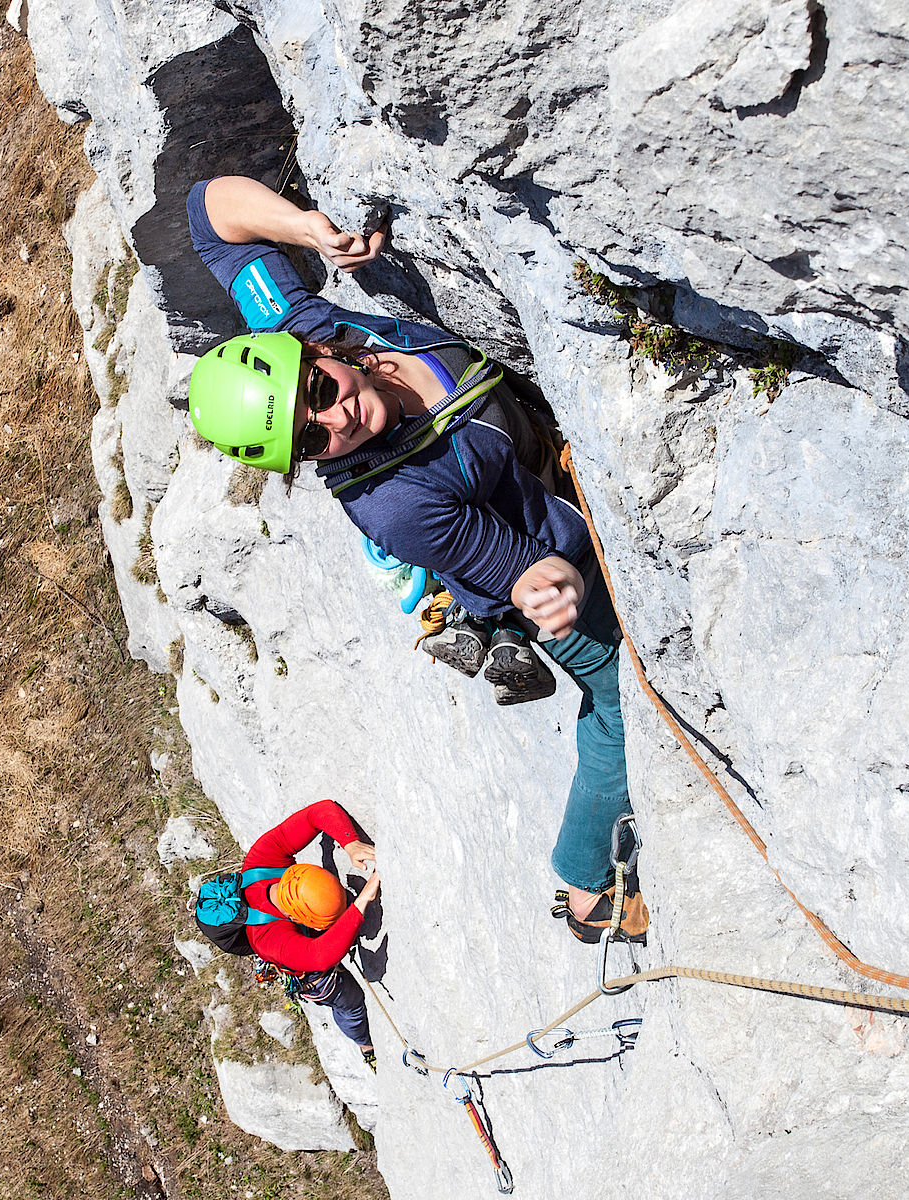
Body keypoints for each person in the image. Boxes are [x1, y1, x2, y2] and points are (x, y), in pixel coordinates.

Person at [183, 175, 647, 942]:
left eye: (319, 390)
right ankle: (583, 877)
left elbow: (207, 216)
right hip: (537, 547)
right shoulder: (393, 501)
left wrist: (307, 230)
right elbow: (530, 564)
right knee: (619, 706)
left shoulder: (302, 318)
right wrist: (556, 588)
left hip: (527, 482)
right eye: (309, 439)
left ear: (312, 351)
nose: (335, 420)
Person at [241, 800, 381, 1063]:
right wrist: (362, 902)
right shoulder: (270, 940)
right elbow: (319, 957)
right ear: (298, 918)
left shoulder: (263, 859)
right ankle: (364, 1045)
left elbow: (319, 812)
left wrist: (349, 843)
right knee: (349, 1002)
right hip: (308, 971)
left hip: (303, 938)